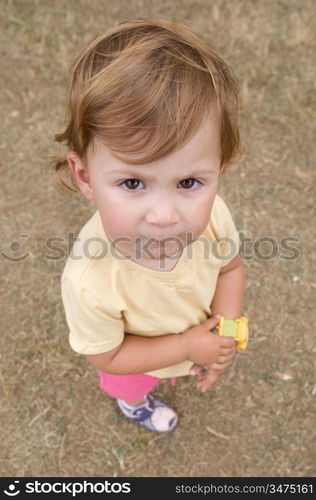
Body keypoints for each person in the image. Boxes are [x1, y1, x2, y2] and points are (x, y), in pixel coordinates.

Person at [54, 18, 246, 434]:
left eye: (189, 182)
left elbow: (230, 268)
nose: (164, 216)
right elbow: (106, 356)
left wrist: (221, 340)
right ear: (85, 176)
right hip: (133, 364)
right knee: (131, 385)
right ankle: (134, 405)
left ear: (220, 168)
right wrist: (186, 346)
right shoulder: (90, 282)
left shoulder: (213, 218)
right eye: (133, 182)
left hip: (195, 342)